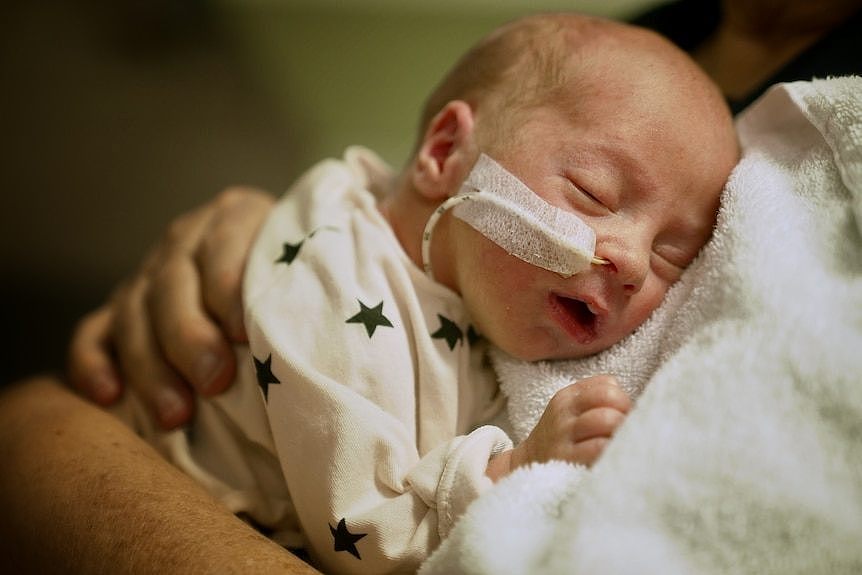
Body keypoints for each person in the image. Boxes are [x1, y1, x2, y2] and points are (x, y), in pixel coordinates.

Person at [94, 12, 737, 574]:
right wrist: (510, 470)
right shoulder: (336, 286)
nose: (629, 262)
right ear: (446, 150)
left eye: (670, 256)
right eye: (592, 193)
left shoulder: (465, 289)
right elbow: (367, 535)